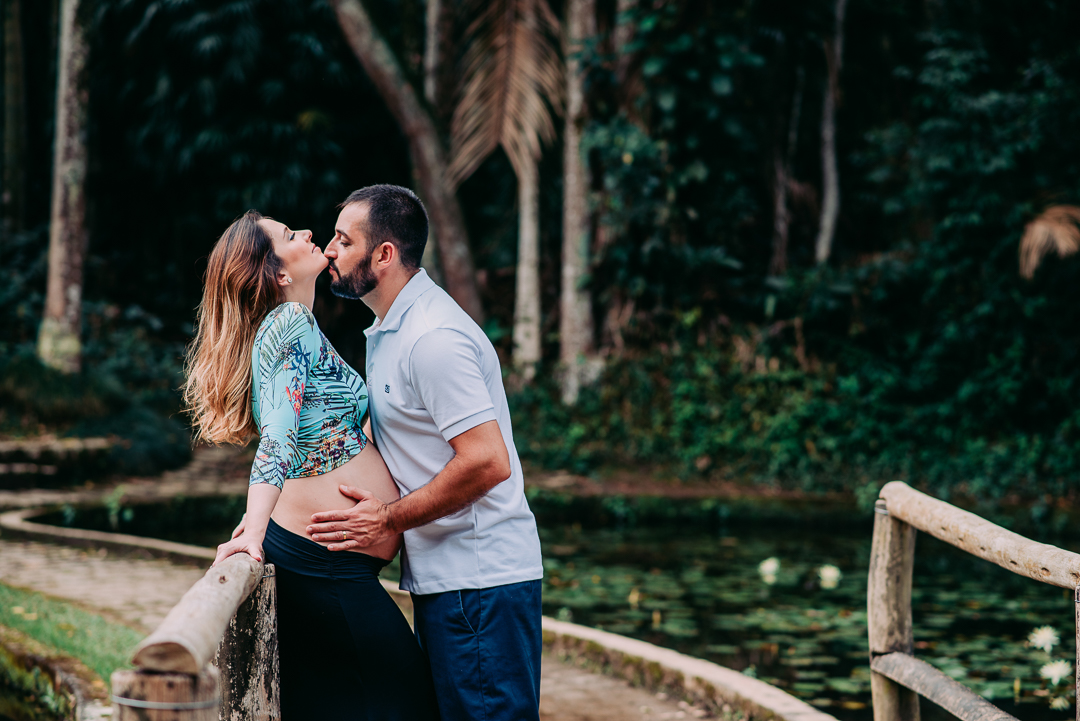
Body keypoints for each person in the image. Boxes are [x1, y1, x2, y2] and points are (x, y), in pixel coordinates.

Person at [182, 210, 439, 720]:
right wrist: (254, 531)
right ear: (278, 273)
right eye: (288, 235)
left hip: (329, 568)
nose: (306, 233)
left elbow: (324, 430)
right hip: (325, 570)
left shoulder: (293, 328)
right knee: (409, 700)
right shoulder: (289, 323)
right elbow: (278, 437)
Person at [306, 185, 544, 721]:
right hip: (449, 583)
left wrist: (387, 518)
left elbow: (488, 460)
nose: (329, 251)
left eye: (344, 240)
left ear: (384, 255)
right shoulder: (391, 329)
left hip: (478, 584)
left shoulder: (433, 337)